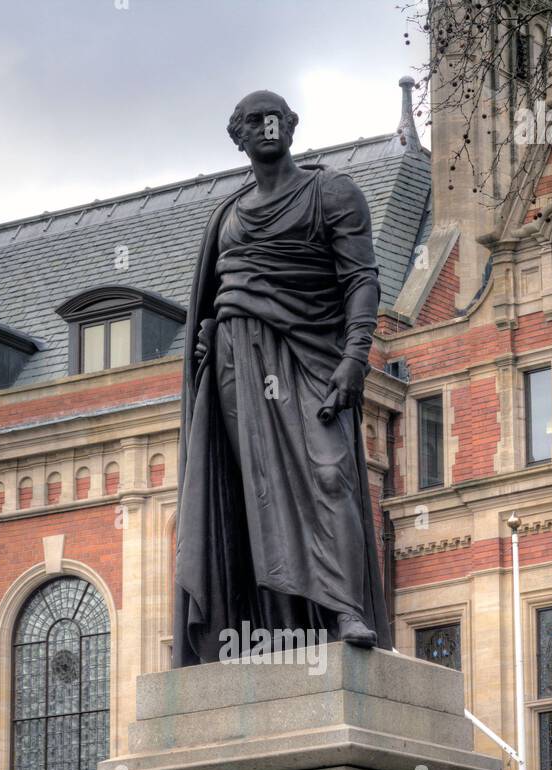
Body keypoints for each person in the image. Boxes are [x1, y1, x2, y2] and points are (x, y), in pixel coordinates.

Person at [173, 89, 392, 666]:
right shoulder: (226, 217)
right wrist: (210, 334)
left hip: (313, 357)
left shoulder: (333, 193)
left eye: (275, 118)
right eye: (252, 120)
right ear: (238, 135)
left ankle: (346, 609)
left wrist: (355, 356)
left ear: (291, 126)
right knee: (256, 496)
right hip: (233, 365)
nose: (266, 127)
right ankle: (275, 629)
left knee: (330, 474)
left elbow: (361, 281)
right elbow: (217, 296)